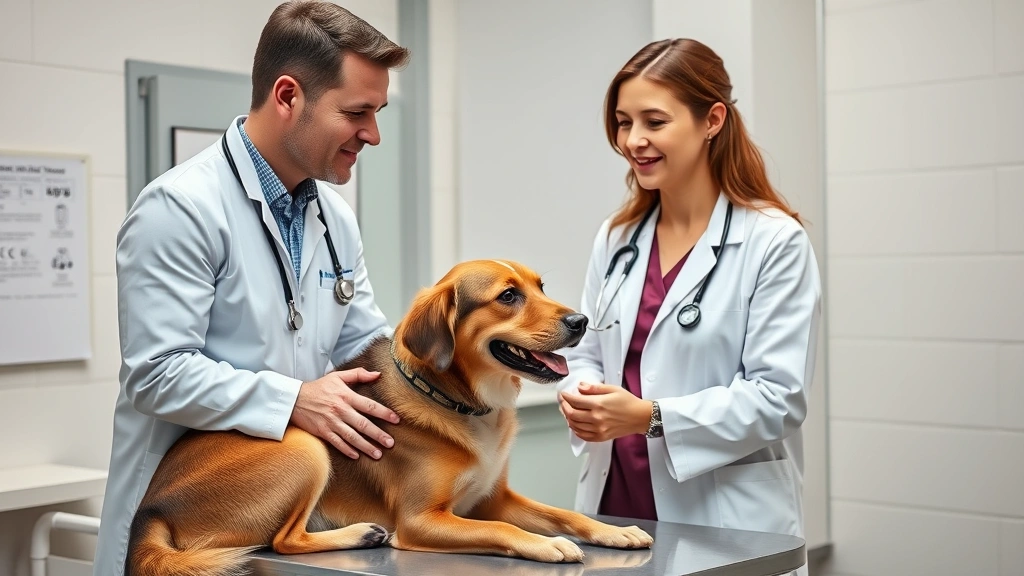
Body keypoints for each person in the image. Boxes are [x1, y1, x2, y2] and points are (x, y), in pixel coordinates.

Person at [93, 3, 410, 574]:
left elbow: (367, 347)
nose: (374, 135)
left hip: (280, 524)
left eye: (378, 112)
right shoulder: (181, 208)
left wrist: (458, 366)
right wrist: (293, 399)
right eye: (357, 113)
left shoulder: (334, 220)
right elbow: (156, 373)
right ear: (288, 96)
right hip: (180, 527)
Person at [557, 38, 821, 576]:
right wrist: (579, 396)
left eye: (654, 121)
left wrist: (651, 417)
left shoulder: (774, 240)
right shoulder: (618, 236)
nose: (634, 140)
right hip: (615, 509)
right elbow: (585, 347)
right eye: (623, 122)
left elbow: (778, 397)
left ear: (712, 119)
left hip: (723, 517)